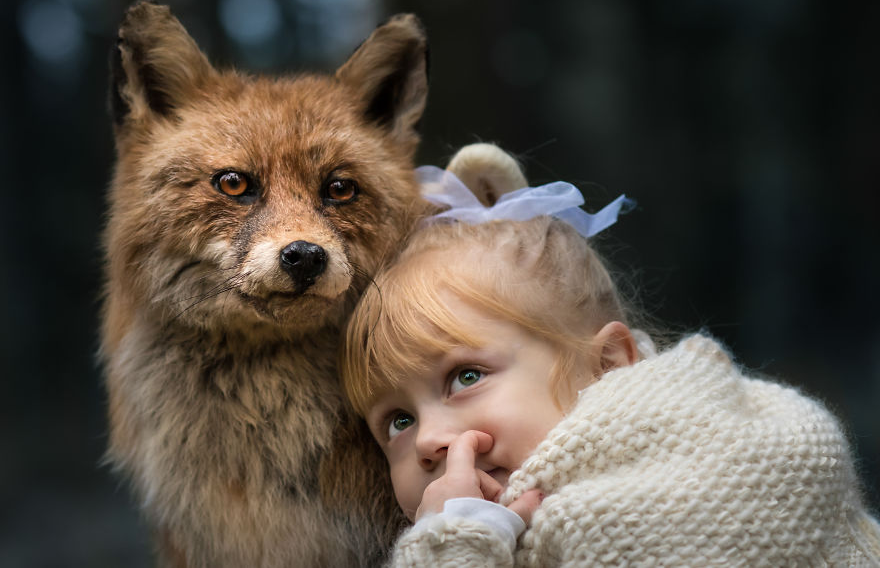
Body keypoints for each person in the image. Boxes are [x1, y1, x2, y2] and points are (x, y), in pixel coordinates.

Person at [340, 144, 880, 566]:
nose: (430, 441)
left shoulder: (645, 511)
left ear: (609, 367)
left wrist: (450, 549)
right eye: (398, 421)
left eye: (465, 376)